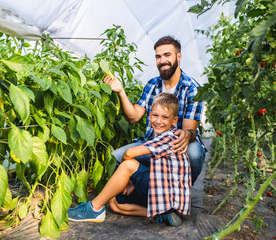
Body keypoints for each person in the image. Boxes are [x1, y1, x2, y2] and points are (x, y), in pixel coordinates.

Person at [67, 93, 191, 227]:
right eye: (155, 115)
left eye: (165, 117)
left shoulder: (170, 137)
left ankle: (94, 208)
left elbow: (130, 153)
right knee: (115, 202)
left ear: (174, 121)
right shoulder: (163, 135)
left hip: (167, 196)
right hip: (167, 198)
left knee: (128, 164)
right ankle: (161, 214)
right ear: (149, 116)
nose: (159, 121)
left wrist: (129, 178)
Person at [103, 35, 206, 184]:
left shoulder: (192, 89)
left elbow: (190, 130)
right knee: (114, 158)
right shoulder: (152, 85)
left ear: (179, 56)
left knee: (194, 153)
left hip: (177, 145)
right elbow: (133, 116)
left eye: (167, 55)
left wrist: (185, 134)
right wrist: (121, 92)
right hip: (152, 143)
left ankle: (183, 191)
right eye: (158, 56)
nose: (162, 60)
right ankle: (148, 188)